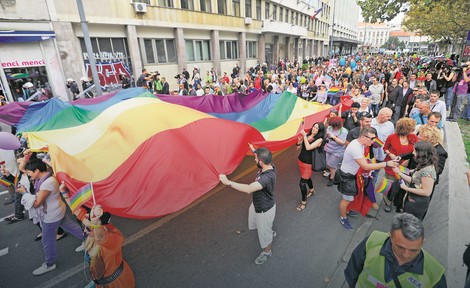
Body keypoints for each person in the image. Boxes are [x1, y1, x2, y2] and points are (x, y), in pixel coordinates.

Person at [345, 213, 446, 287]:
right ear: (389, 235)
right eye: (400, 247)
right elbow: (353, 269)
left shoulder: (434, 273)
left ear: (422, 242)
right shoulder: (373, 241)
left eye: (414, 250)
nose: (406, 255)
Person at [22, 159, 85, 275]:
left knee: (47, 240)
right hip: (57, 209)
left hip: (52, 215)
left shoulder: (46, 183)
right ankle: (87, 240)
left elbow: (36, 203)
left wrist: (24, 193)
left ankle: (49, 264)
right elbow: (22, 168)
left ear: (36, 170)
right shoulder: (47, 177)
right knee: (71, 227)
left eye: (29, 172)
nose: (28, 175)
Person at [219, 147, 276, 265]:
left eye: (255, 159)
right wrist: (253, 150)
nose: (254, 160)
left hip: (264, 210)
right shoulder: (269, 165)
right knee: (260, 226)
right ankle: (268, 231)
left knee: (264, 234)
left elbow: (249, 189)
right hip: (258, 205)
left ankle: (267, 251)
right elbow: (262, 155)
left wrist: (228, 182)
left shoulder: (266, 178)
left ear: (261, 162)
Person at [336, 127, 398, 230]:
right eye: (372, 138)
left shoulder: (361, 144)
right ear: (363, 137)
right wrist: (386, 163)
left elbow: (366, 158)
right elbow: (365, 166)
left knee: (353, 195)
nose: (374, 141)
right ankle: (343, 217)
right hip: (347, 177)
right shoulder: (355, 147)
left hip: (353, 175)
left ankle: (348, 210)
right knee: (347, 199)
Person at [84, 205, 135, 287]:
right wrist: (64, 193)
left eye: (89, 228)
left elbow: (101, 237)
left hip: (117, 284)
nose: (85, 231)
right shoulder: (92, 236)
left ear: (101, 226)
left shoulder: (113, 238)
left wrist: (94, 223)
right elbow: (78, 211)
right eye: (85, 227)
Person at [393, 141, 438, 220]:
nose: (413, 153)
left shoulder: (428, 171)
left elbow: (426, 192)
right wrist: (399, 173)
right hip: (412, 199)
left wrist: (406, 188)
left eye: (415, 151)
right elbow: (415, 181)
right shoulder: (423, 164)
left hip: (416, 204)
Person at [294, 122, 325, 211]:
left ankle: (303, 202)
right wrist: (298, 143)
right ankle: (311, 190)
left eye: (317, 128)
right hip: (300, 161)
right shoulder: (308, 135)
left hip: (308, 164)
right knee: (306, 178)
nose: (314, 129)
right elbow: (298, 148)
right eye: (314, 126)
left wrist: (304, 137)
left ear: (320, 131)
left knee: (302, 184)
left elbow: (308, 147)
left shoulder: (319, 140)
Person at [324, 116, 347, 187]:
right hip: (328, 149)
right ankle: (332, 172)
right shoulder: (329, 128)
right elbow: (325, 136)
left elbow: (343, 143)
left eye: (335, 126)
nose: (333, 127)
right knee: (328, 163)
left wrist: (334, 137)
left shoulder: (343, 131)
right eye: (332, 126)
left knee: (332, 165)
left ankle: (332, 178)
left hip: (337, 151)